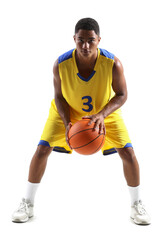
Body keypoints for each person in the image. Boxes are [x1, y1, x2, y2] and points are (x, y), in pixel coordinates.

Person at [12, 18, 151, 225]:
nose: (85, 46)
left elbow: (121, 95)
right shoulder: (60, 64)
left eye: (91, 40)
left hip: (104, 111)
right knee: (42, 149)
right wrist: (67, 122)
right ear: (74, 39)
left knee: (128, 153)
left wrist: (102, 115)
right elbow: (58, 97)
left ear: (99, 40)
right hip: (68, 110)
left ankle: (137, 204)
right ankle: (27, 203)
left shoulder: (114, 64)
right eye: (81, 40)